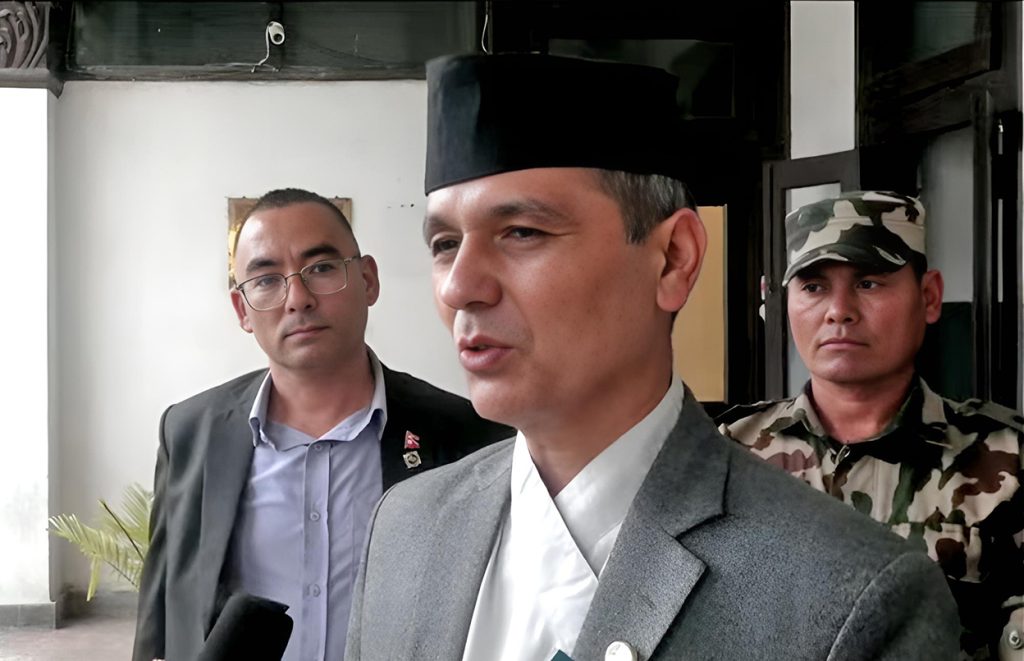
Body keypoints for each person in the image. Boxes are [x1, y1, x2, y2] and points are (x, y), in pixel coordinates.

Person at [344, 54, 959, 661]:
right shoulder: (405, 530)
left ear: (672, 260)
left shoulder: (848, 597)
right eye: (445, 243)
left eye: (522, 232)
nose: (459, 287)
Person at [132, 188, 512, 661]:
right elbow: (162, 608)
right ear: (242, 310)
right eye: (266, 280)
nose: (298, 299)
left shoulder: (469, 434)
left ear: (368, 280)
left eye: (321, 269)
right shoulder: (192, 432)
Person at [717, 191, 1023, 660]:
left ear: (929, 297)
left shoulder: (1006, 457)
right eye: (813, 287)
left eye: (868, 283)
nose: (838, 310)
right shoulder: (728, 455)